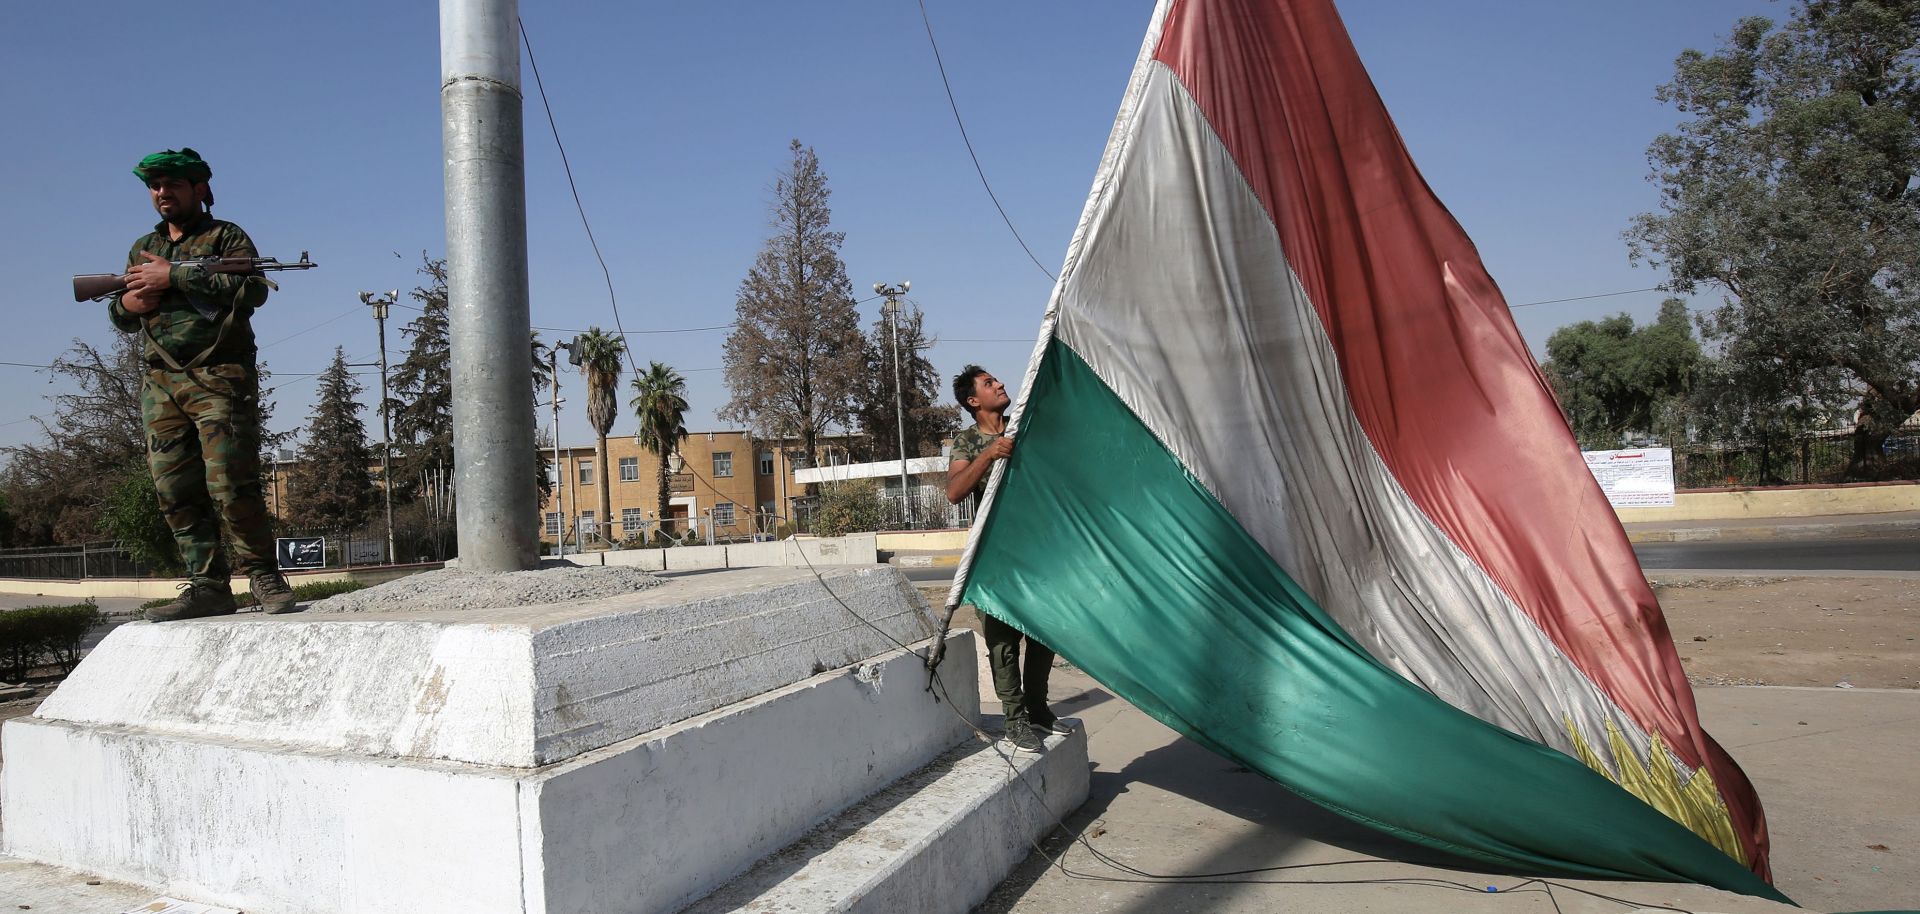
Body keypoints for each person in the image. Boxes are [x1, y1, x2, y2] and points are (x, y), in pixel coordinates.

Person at [111, 148, 298, 621]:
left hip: (220, 375)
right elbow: (121, 311)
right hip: (162, 382)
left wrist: (173, 275)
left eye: (171, 184)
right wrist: (128, 306)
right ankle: (208, 585)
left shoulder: (225, 236)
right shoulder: (141, 247)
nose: (161, 193)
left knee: (230, 482)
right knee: (174, 488)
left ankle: (262, 574)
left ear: (199, 189)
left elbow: (253, 290)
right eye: (154, 186)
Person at [946, 365, 1067, 752]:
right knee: (1003, 641)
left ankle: (1037, 708)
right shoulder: (966, 441)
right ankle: (1015, 721)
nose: (999, 384)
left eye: (996, 379)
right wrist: (990, 455)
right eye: (988, 383)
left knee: (1043, 630)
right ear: (973, 400)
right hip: (996, 555)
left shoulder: (1023, 425)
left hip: (1038, 550)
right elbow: (954, 492)